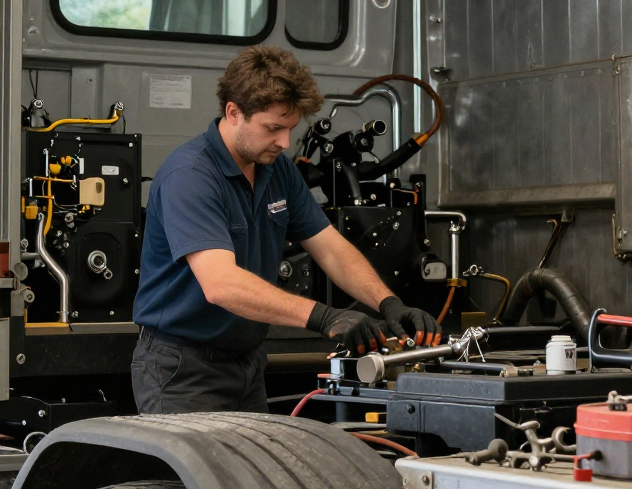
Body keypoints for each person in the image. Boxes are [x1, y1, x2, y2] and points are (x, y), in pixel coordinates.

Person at [131, 46, 441, 414]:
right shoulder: (191, 176)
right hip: (182, 369)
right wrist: (326, 317)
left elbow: (329, 246)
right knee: (198, 473)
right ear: (233, 112)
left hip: (246, 363)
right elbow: (221, 284)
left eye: (290, 129)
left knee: (251, 473)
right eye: (273, 128)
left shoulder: (277, 170)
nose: (285, 143)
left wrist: (388, 303)